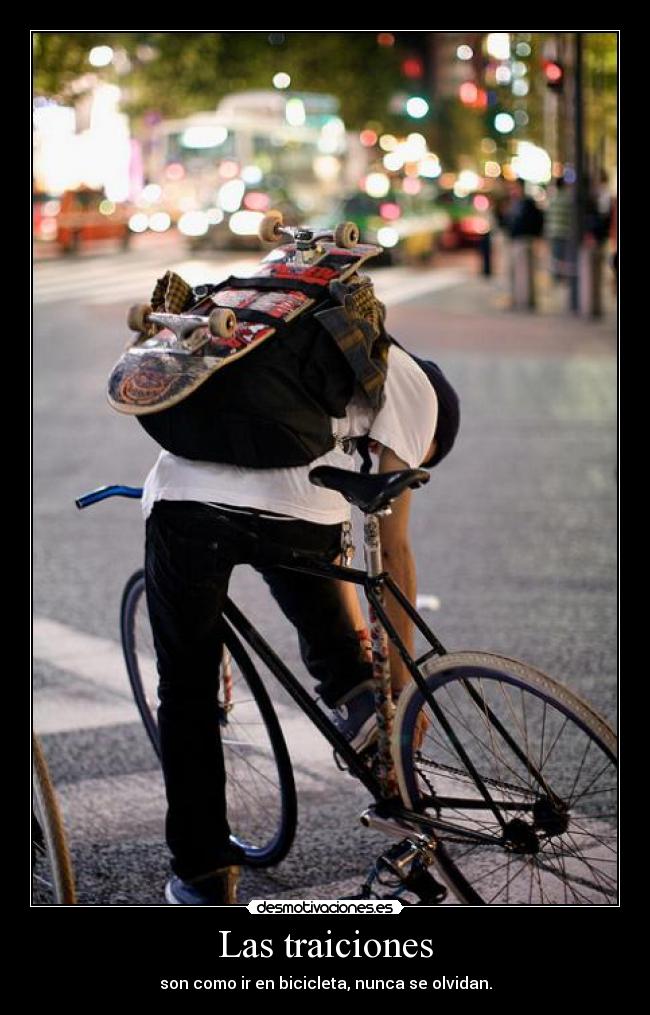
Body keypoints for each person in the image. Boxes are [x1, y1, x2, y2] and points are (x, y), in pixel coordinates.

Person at [141, 276, 459, 906]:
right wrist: (395, 685)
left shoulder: (320, 334)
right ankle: (367, 712)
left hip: (186, 504)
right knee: (339, 644)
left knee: (187, 692)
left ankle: (203, 873)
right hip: (298, 515)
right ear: (438, 424)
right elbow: (390, 550)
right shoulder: (417, 397)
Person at [544, 176, 572, 282]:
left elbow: (548, 217)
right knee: (565, 255)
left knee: (556, 256)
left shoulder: (553, 199)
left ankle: (557, 277)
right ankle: (564, 277)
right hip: (565, 232)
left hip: (554, 232)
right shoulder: (568, 199)